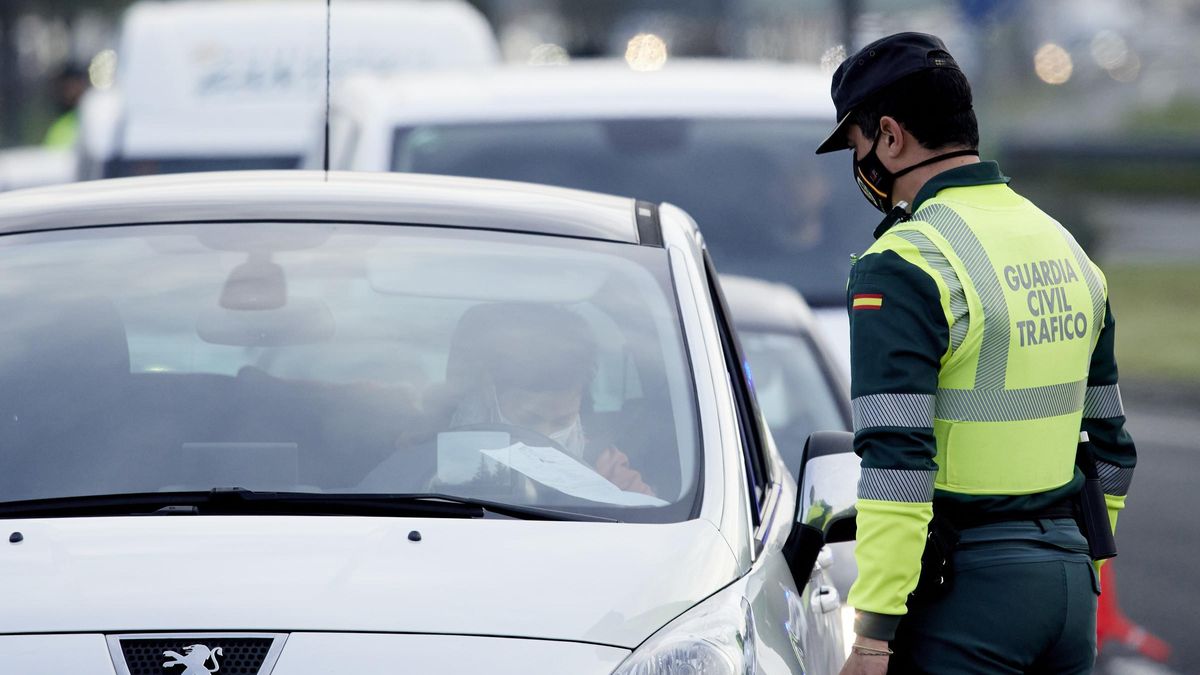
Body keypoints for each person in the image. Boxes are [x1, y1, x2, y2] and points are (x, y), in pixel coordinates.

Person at [814, 33, 1137, 674]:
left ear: (889, 135)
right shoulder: (1063, 247)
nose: (859, 167)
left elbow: (897, 460)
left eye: (855, 146)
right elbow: (1112, 448)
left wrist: (873, 635)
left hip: (967, 595)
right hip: (1069, 590)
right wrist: (1081, 566)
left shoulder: (906, 262)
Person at [444, 302, 655, 497]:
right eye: (529, 420)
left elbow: (648, 521)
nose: (545, 437)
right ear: (490, 393)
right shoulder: (432, 453)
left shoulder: (605, 469)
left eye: (562, 422)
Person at [42, 64, 88, 148]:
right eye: (68, 87)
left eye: (76, 85)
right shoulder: (58, 130)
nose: (72, 92)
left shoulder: (95, 120)